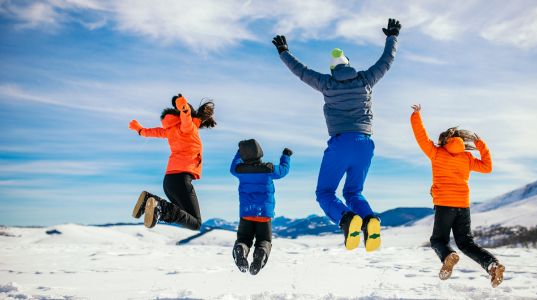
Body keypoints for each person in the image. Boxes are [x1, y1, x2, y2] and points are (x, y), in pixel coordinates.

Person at [271, 18, 401, 252]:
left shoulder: (326, 83)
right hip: (365, 144)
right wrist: (392, 37)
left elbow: (301, 72)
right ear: (348, 64)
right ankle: (369, 220)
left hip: (341, 143)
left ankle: (347, 219)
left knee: (325, 193)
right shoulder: (366, 80)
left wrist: (283, 52)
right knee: (354, 191)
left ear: (333, 69)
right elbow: (386, 61)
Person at [410, 104, 505, 287]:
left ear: (444, 141)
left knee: (438, 240)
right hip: (463, 206)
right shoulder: (467, 158)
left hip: (445, 205)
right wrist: (480, 144)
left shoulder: (436, 154)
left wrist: (416, 115)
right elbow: (487, 167)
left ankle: (448, 256)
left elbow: (420, 137)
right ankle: (493, 265)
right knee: (467, 243)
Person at [128, 94, 216, 231]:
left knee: (183, 215)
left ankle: (149, 200)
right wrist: (183, 107)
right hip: (181, 180)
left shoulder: (171, 130)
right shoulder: (187, 128)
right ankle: (159, 208)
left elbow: (154, 132)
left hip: (169, 181)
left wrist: (140, 130)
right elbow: (186, 117)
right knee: (196, 223)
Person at [230, 139, 291, 275]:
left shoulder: (240, 170)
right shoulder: (268, 169)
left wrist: (239, 153)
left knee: (244, 239)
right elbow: (283, 171)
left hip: (246, 213)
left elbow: (233, 167)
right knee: (264, 240)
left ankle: (241, 249)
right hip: (264, 214)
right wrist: (286, 156)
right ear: (260, 152)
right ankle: (261, 253)